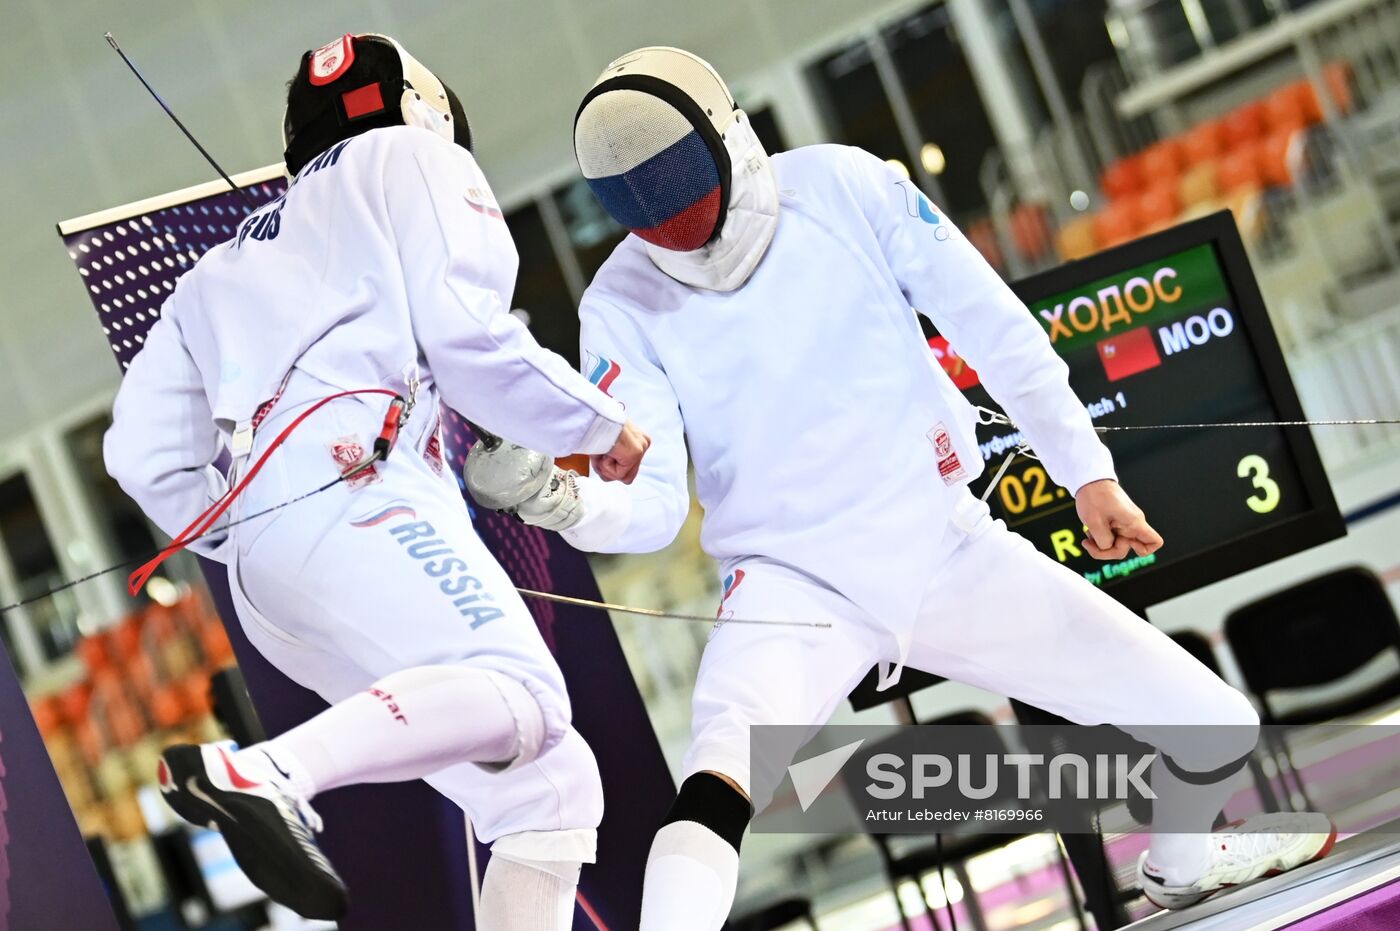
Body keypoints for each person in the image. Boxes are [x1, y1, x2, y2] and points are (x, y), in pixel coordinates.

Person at [464, 46, 1334, 928]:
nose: (683, 230)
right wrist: (556, 497)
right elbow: (649, 511)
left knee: (1215, 726)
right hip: (791, 589)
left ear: (727, 137)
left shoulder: (846, 189)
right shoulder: (620, 300)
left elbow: (996, 332)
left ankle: (1181, 867)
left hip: (946, 549)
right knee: (718, 784)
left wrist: (1090, 474)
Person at [105, 33, 649, 924]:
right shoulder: (412, 156)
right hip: (361, 499)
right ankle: (267, 773)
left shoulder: (214, 271)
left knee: (548, 788)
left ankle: (275, 771)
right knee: (527, 692)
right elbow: (471, 339)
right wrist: (595, 424)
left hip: (267, 578)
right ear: (425, 111)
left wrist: (251, 529)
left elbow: (140, 455)